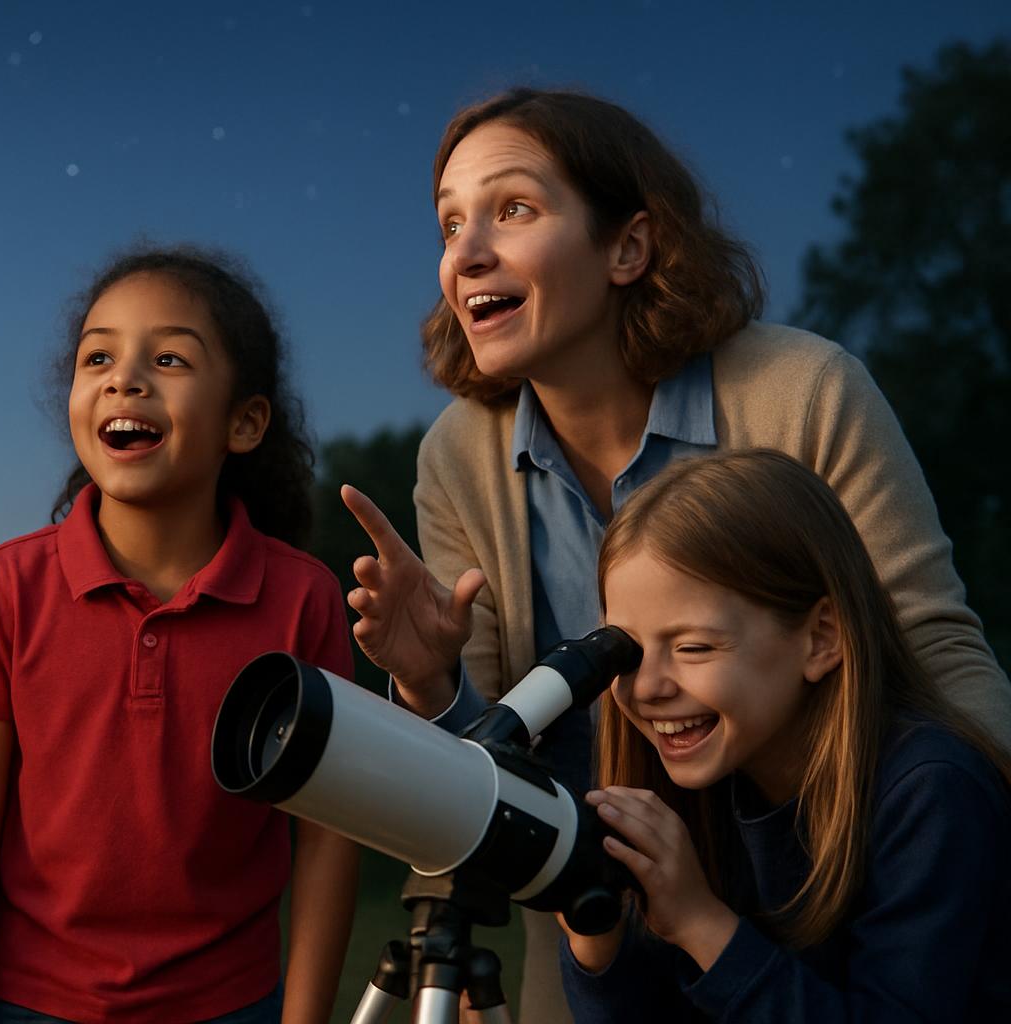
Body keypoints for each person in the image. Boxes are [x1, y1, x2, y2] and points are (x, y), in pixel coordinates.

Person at [339, 88, 1011, 1022]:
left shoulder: (802, 392)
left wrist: (938, 884)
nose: (467, 252)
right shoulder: (458, 456)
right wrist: (429, 682)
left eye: (514, 209)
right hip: (614, 926)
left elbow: (934, 651)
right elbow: (486, 774)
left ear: (630, 247)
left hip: (852, 910)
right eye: (450, 222)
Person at [0, 246, 360, 1024]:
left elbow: (327, 839)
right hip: (29, 1003)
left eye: (168, 358)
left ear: (245, 422)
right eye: (99, 356)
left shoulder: (304, 598)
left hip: (234, 1005)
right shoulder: (5, 588)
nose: (124, 379)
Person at [558, 448, 1011, 1021]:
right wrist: (597, 945)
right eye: (625, 651)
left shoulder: (932, 793)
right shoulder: (704, 788)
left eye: (693, 647)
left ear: (821, 637)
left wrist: (701, 925)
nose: (646, 687)